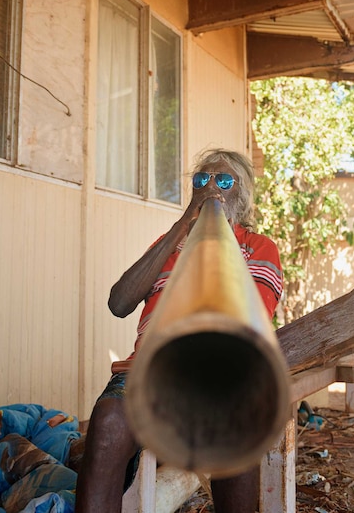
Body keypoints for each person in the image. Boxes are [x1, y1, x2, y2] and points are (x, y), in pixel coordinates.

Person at [75, 149, 283, 513]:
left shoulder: (258, 248)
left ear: (243, 195)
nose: (211, 187)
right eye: (201, 180)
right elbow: (119, 303)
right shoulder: (167, 244)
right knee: (108, 420)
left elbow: (251, 323)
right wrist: (184, 224)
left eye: (223, 180)